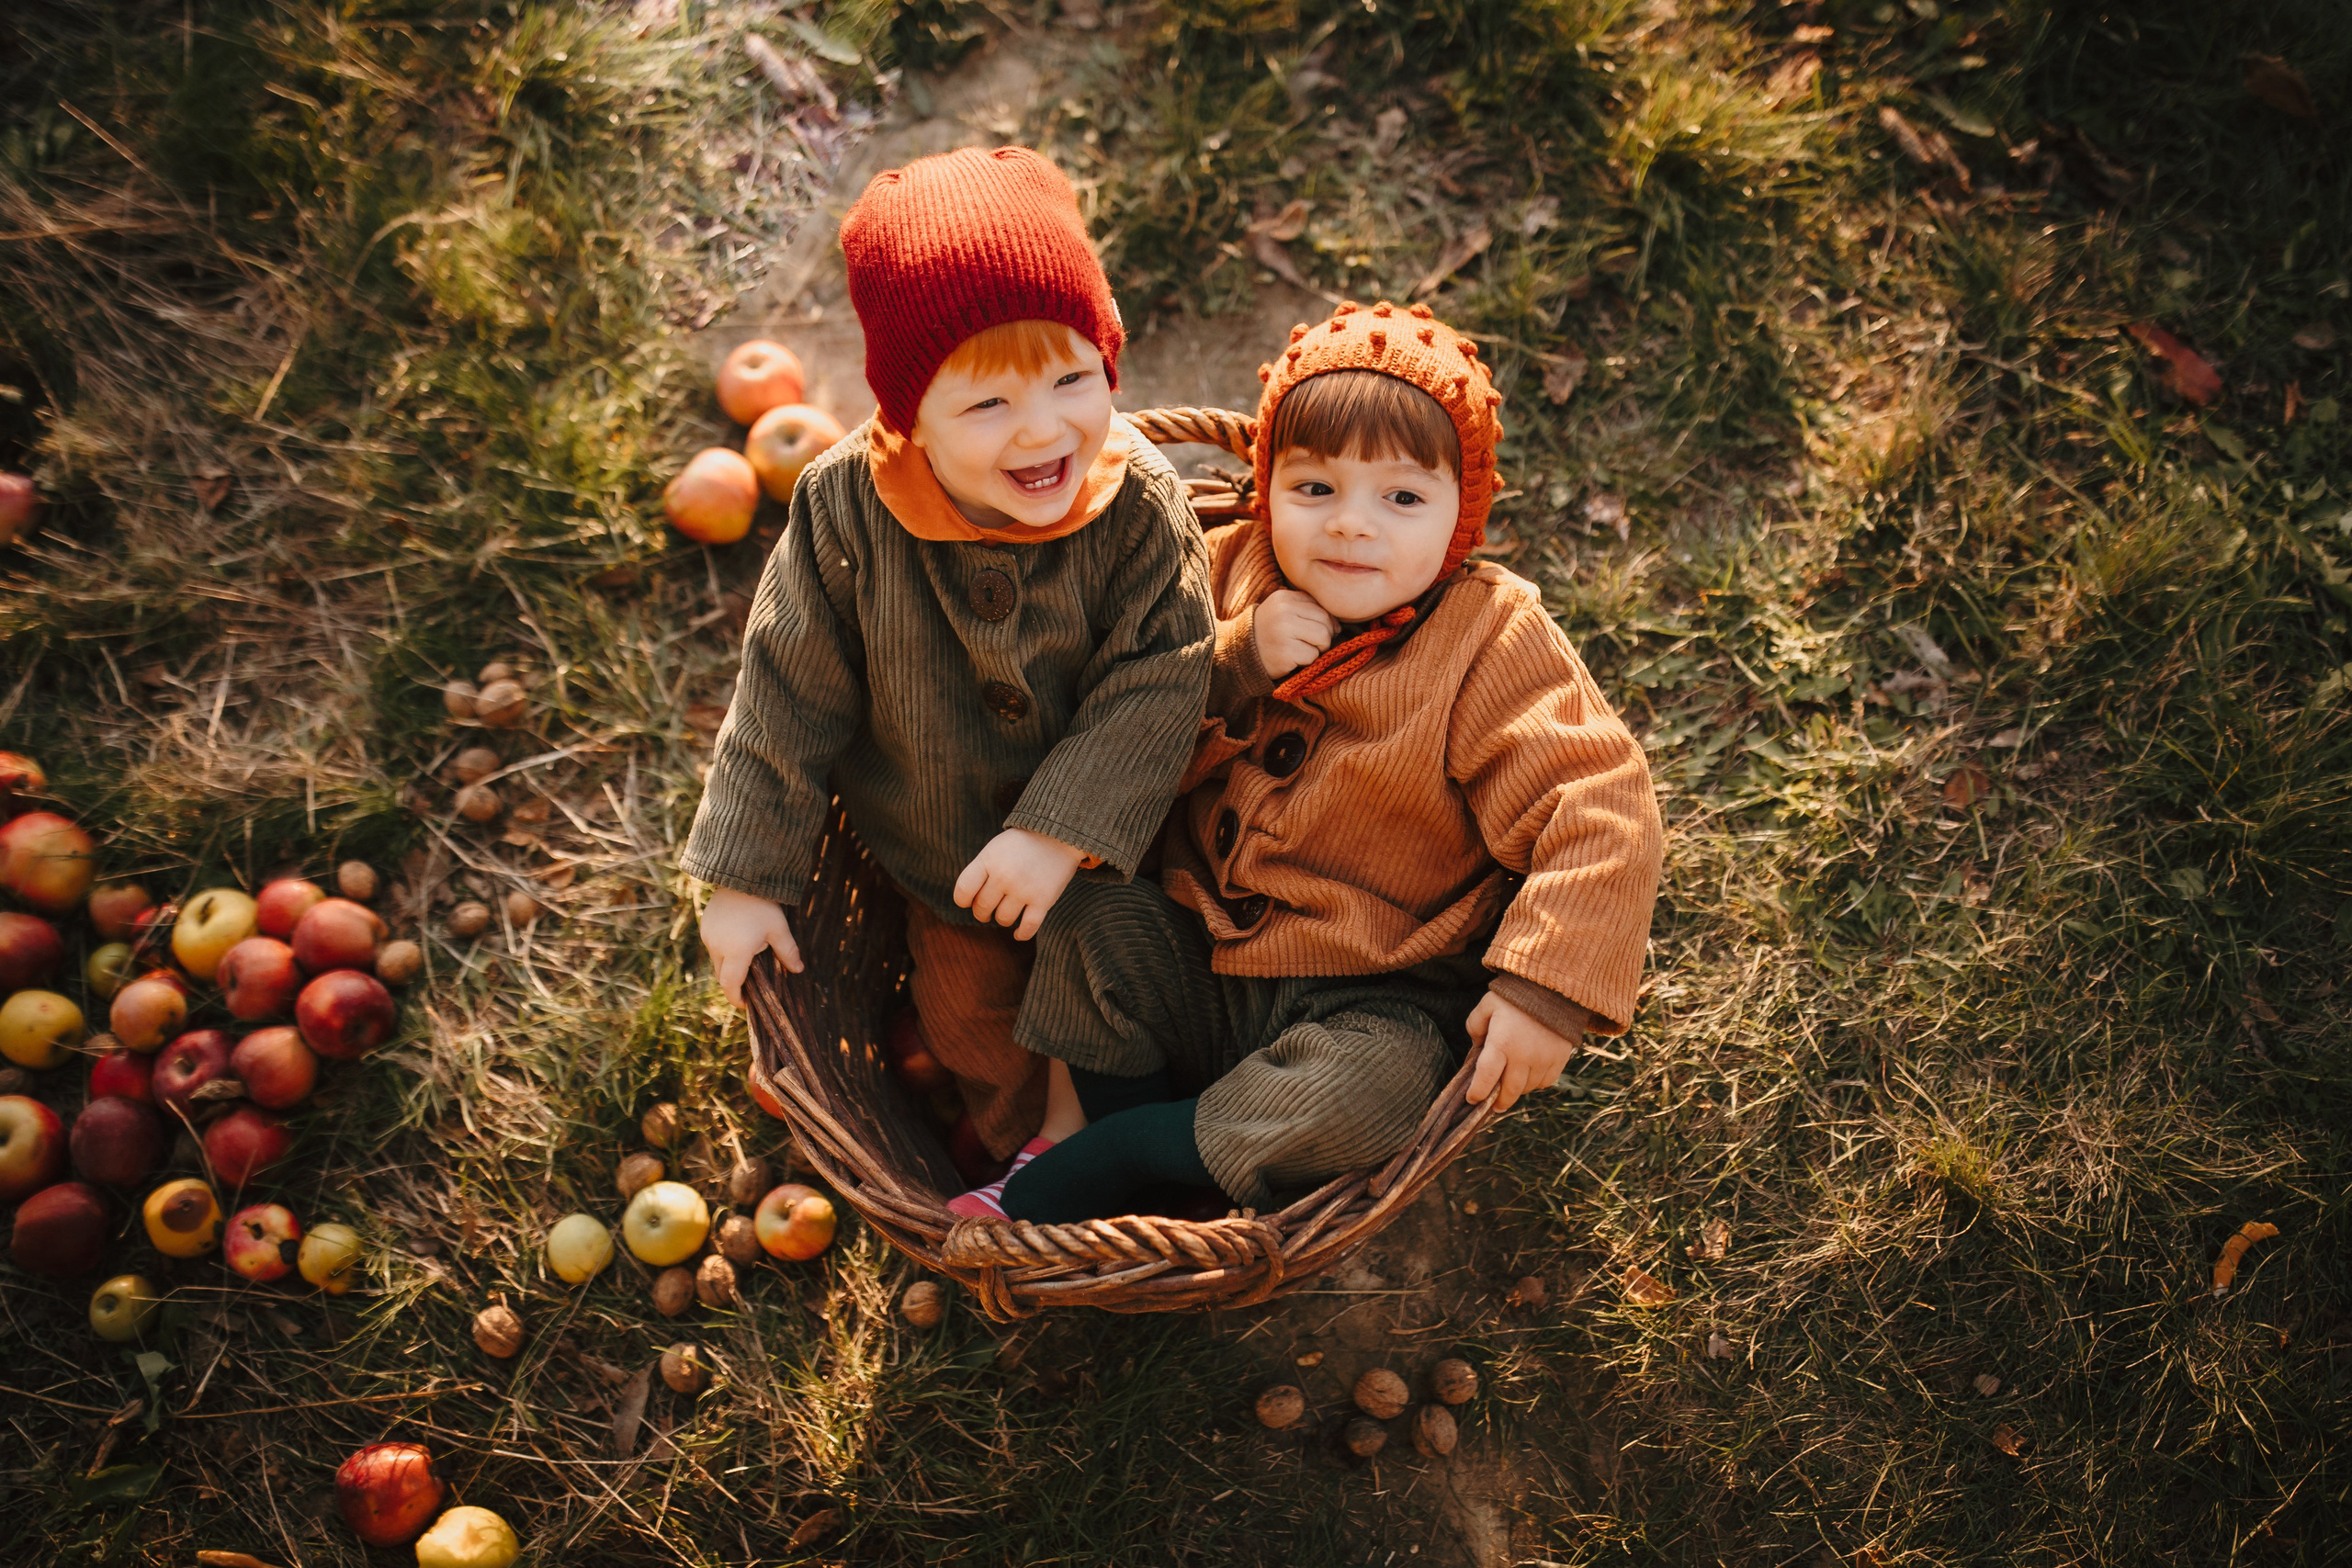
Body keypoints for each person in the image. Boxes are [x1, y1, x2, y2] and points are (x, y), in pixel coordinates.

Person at [951, 299, 1663, 1223]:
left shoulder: (1489, 637)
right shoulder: (1222, 569)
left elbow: (1597, 803)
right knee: (1088, 915)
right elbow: (1116, 713)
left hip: (1369, 997)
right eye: (1313, 489)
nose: (1350, 527)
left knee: (1382, 1091)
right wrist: (1234, 658)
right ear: (1264, 483)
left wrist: (1545, 991)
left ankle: (1135, 1152)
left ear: (1462, 515)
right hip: (1198, 951)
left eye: (1402, 498)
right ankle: (1154, 1172)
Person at [685, 146, 1213, 1173]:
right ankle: (1032, 1177)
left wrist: (1059, 833)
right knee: (974, 1030)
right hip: (941, 864)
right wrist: (746, 875)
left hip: (1117, 855)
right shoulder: (846, 511)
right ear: (906, 416)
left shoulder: (1140, 504)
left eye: (1073, 378)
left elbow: (1163, 670)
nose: (1044, 431)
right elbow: (785, 688)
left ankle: (1133, 1146)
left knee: (1134, 989)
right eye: (986, 406)